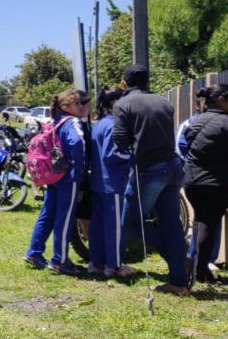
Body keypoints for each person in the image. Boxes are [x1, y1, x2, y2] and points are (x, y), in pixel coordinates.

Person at [114, 64, 189, 296]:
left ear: (124, 83)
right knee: (171, 224)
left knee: (131, 222)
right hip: (173, 167)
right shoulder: (165, 102)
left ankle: (176, 260)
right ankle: (179, 279)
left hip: (148, 170)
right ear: (148, 82)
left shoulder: (123, 104)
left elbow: (120, 140)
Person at [24, 89, 89, 275]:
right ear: (66, 106)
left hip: (53, 175)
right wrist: (79, 170)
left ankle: (34, 252)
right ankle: (59, 261)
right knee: (65, 218)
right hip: (68, 177)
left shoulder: (55, 121)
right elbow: (77, 143)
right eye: (78, 103)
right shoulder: (72, 122)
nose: (81, 106)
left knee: (47, 213)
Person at [183, 83, 228, 285]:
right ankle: (199, 270)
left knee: (200, 222)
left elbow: (186, 143)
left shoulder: (196, 121)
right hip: (215, 184)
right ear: (221, 99)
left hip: (192, 181)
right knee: (207, 224)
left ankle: (198, 266)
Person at [87, 88, 135, 277]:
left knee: (98, 225)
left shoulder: (98, 124)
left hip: (98, 182)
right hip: (113, 182)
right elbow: (112, 153)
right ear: (114, 102)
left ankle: (95, 262)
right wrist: (133, 155)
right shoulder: (115, 125)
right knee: (115, 226)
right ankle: (114, 265)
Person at [178, 88, 222, 274]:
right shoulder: (189, 124)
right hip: (197, 176)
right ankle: (197, 256)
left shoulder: (221, 121)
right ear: (198, 104)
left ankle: (208, 257)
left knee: (212, 219)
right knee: (202, 218)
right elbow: (180, 148)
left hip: (213, 177)